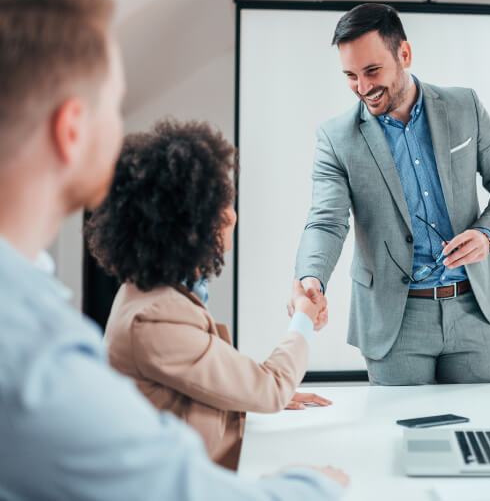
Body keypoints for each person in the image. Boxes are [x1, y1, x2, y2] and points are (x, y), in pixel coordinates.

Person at [0, 0, 348, 500]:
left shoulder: (44, 317)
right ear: (71, 129)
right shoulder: (33, 352)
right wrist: (314, 485)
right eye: (114, 106)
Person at [294, 3, 490, 386]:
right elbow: (326, 220)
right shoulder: (335, 139)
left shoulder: (464, 106)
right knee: (402, 442)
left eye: (372, 71)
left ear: (404, 54)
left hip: (473, 307)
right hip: (394, 320)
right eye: (350, 76)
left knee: (485, 433)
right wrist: (311, 278)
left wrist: (487, 234)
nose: (363, 87)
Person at [84, 119, 332, 471]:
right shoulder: (156, 316)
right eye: (219, 204)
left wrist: (245, 397)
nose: (231, 214)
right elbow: (271, 387)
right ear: (184, 223)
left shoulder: (147, 293)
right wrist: (303, 317)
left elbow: (191, 389)